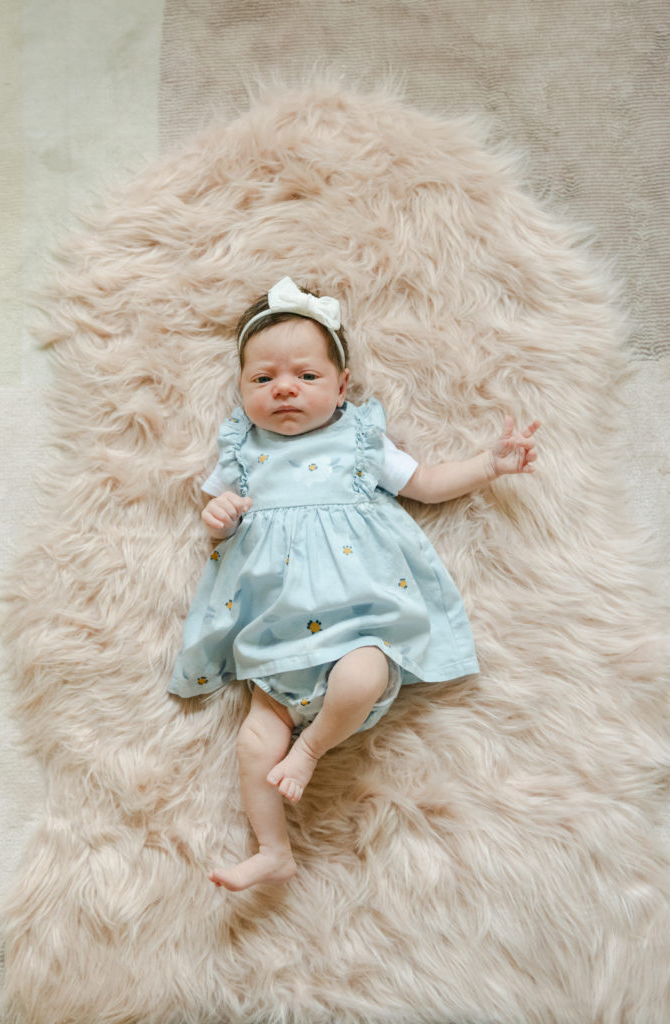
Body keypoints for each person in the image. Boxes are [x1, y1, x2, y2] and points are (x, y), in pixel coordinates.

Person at [169, 276, 539, 891]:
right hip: (275, 634)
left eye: (306, 377)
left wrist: (488, 465)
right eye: (262, 379)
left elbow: (424, 483)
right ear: (240, 391)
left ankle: (310, 751)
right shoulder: (241, 450)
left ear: (342, 388)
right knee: (255, 736)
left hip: (358, 625)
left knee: (363, 673)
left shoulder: (360, 440)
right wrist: (217, 517)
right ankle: (272, 849)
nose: (284, 387)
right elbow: (216, 518)